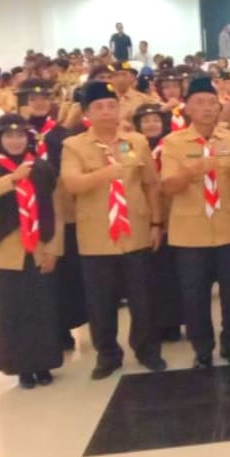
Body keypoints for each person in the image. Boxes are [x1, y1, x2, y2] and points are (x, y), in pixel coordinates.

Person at [60, 81, 167, 379]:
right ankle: (107, 355)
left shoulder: (136, 142)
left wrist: (156, 222)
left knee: (143, 298)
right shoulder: (74, 146)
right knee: (101, 302)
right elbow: (71, 184)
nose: (106, 112)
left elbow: (151, 184)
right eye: (99, 107)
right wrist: (105, 174)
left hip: (136, 231)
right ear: (87, 113)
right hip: (97, 236)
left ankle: (147, 350)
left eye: (111, 105)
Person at [159, 76, 230, 367]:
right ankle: (202, 349)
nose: (208, 108)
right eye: (200, 103)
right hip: (190, 232)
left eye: (212, 102)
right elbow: (168, 186)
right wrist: (193, 170)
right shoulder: (173, 143)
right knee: (194, 296)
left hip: (228, 228)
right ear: (187, 108)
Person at [0, 114, 63, 389]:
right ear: (0, 139)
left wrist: (54, 249)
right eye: (9, 136)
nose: (15, 141)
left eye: (20, 135)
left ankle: (44, 363)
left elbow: (57, 209)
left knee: (42, 309)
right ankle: (22, 367)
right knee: (13, 312)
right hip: (7, 253)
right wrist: (12, 179)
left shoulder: (42, 168)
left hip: (40, 248)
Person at [22, 80, 84, 349]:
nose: (39, 103)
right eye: (33, 99)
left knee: (63, 269)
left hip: (61, 206)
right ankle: (39, 328)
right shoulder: (17, 132)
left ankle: (64, 327)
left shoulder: (61, 134)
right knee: (33, 270)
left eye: (44, 99)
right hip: (27, 208)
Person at [133, 101, 184, 344]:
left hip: (172, 216)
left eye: (155, 120)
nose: (151, 125)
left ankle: (173, 323)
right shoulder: (130, 146)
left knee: (171, 273)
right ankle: (152, 324)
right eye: (145, 121)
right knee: (147, 275)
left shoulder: (172, 146)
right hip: (142, 217)